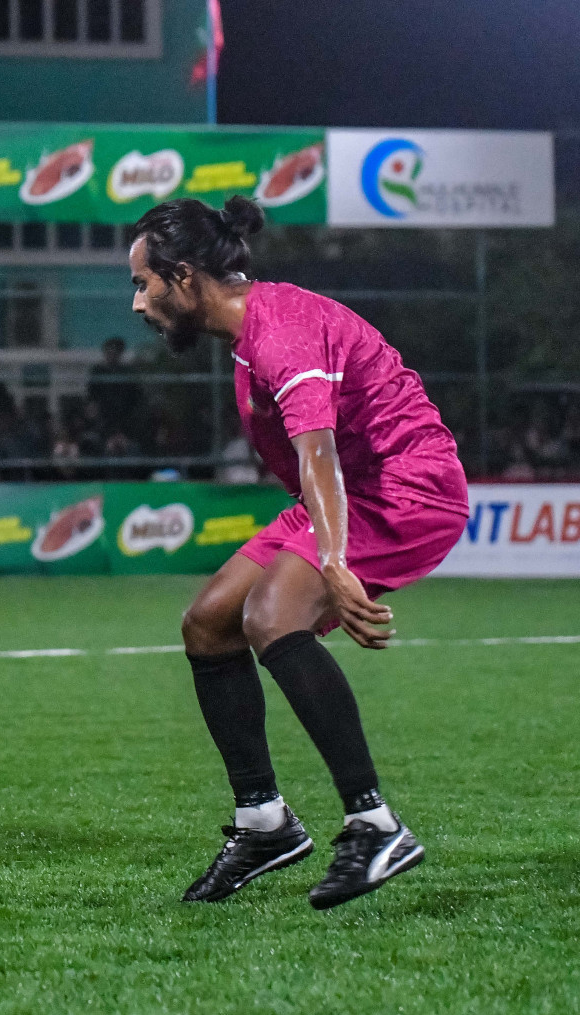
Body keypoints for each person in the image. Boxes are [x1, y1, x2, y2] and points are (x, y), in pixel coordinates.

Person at [129, 195, 469, 910]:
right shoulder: (252, 330)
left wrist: (335, 562)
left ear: (184, 277)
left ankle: (374, 824)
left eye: (143, 284)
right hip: (353, 489)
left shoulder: (278, 332)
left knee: (271, 615)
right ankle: (264, 824)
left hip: (405, 488)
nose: (139, 303)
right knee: (209, 621)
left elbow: (319, 455)